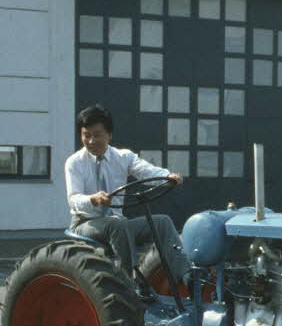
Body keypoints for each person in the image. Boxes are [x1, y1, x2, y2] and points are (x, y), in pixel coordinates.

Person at [65, 106, 191, 284]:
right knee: (118, 224)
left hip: (118, 223)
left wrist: (168, 176)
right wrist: (93, 199)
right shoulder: (74, 163)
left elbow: (147, 171)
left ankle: (187, 278)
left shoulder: (123, 157)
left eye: (97, 135)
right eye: (86, 135)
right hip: (86, 222)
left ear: (109, 135)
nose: (91, 141)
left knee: (162, 222)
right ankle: (129, 283)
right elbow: (73, 200)